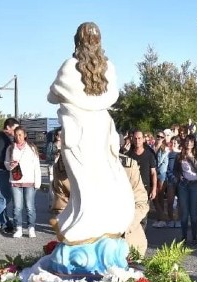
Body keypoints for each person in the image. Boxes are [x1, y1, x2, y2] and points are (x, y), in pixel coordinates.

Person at [48, 21, 134, 242]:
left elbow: (52, 95)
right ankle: (96, 223)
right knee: (102, 176)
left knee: (84, 181)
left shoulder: (70, 66)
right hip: (101, 128)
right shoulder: (109, 67)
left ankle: (85, 224)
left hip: (78, 129)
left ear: (77, 41)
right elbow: (112, 95)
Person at [4, 126, 42, 238]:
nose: (18, 137)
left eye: (20, 134)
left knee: (30, 206)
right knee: (17, 207)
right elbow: (6, 163)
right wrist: (10, 165)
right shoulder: (10, 148)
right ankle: (18, 228)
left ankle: (31, 227)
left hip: (29, 181)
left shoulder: (31, 148)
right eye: (16, 135)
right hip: (15, 181)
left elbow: (36, 166)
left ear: (25, 135)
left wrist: (37, 182)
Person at [173, 134, 197, 245]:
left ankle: (195, 237)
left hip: (195, 185)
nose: (189, 143)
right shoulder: (179, 156)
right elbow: (175, 170)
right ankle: (184, 237)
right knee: (184, 213)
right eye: (187, 141)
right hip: (183, 185)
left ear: (194, 143)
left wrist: (190, 158)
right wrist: (179, 176)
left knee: (193, 213)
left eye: (191, 141)